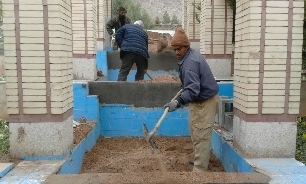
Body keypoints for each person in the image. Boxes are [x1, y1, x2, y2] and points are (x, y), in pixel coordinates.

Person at [164, 27, 219, 172]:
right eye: (174, 49)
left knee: (201, 135)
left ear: (186, 46)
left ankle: (199, 171)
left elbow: (193, 90)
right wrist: (185, 86)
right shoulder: (189, 55)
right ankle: (197, 158)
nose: (176, 52)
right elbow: (192, 84)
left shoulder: (189, 63)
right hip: (199, 100)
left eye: (179, 49)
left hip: (205, 102)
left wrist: (178, 102)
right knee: (195, 131)